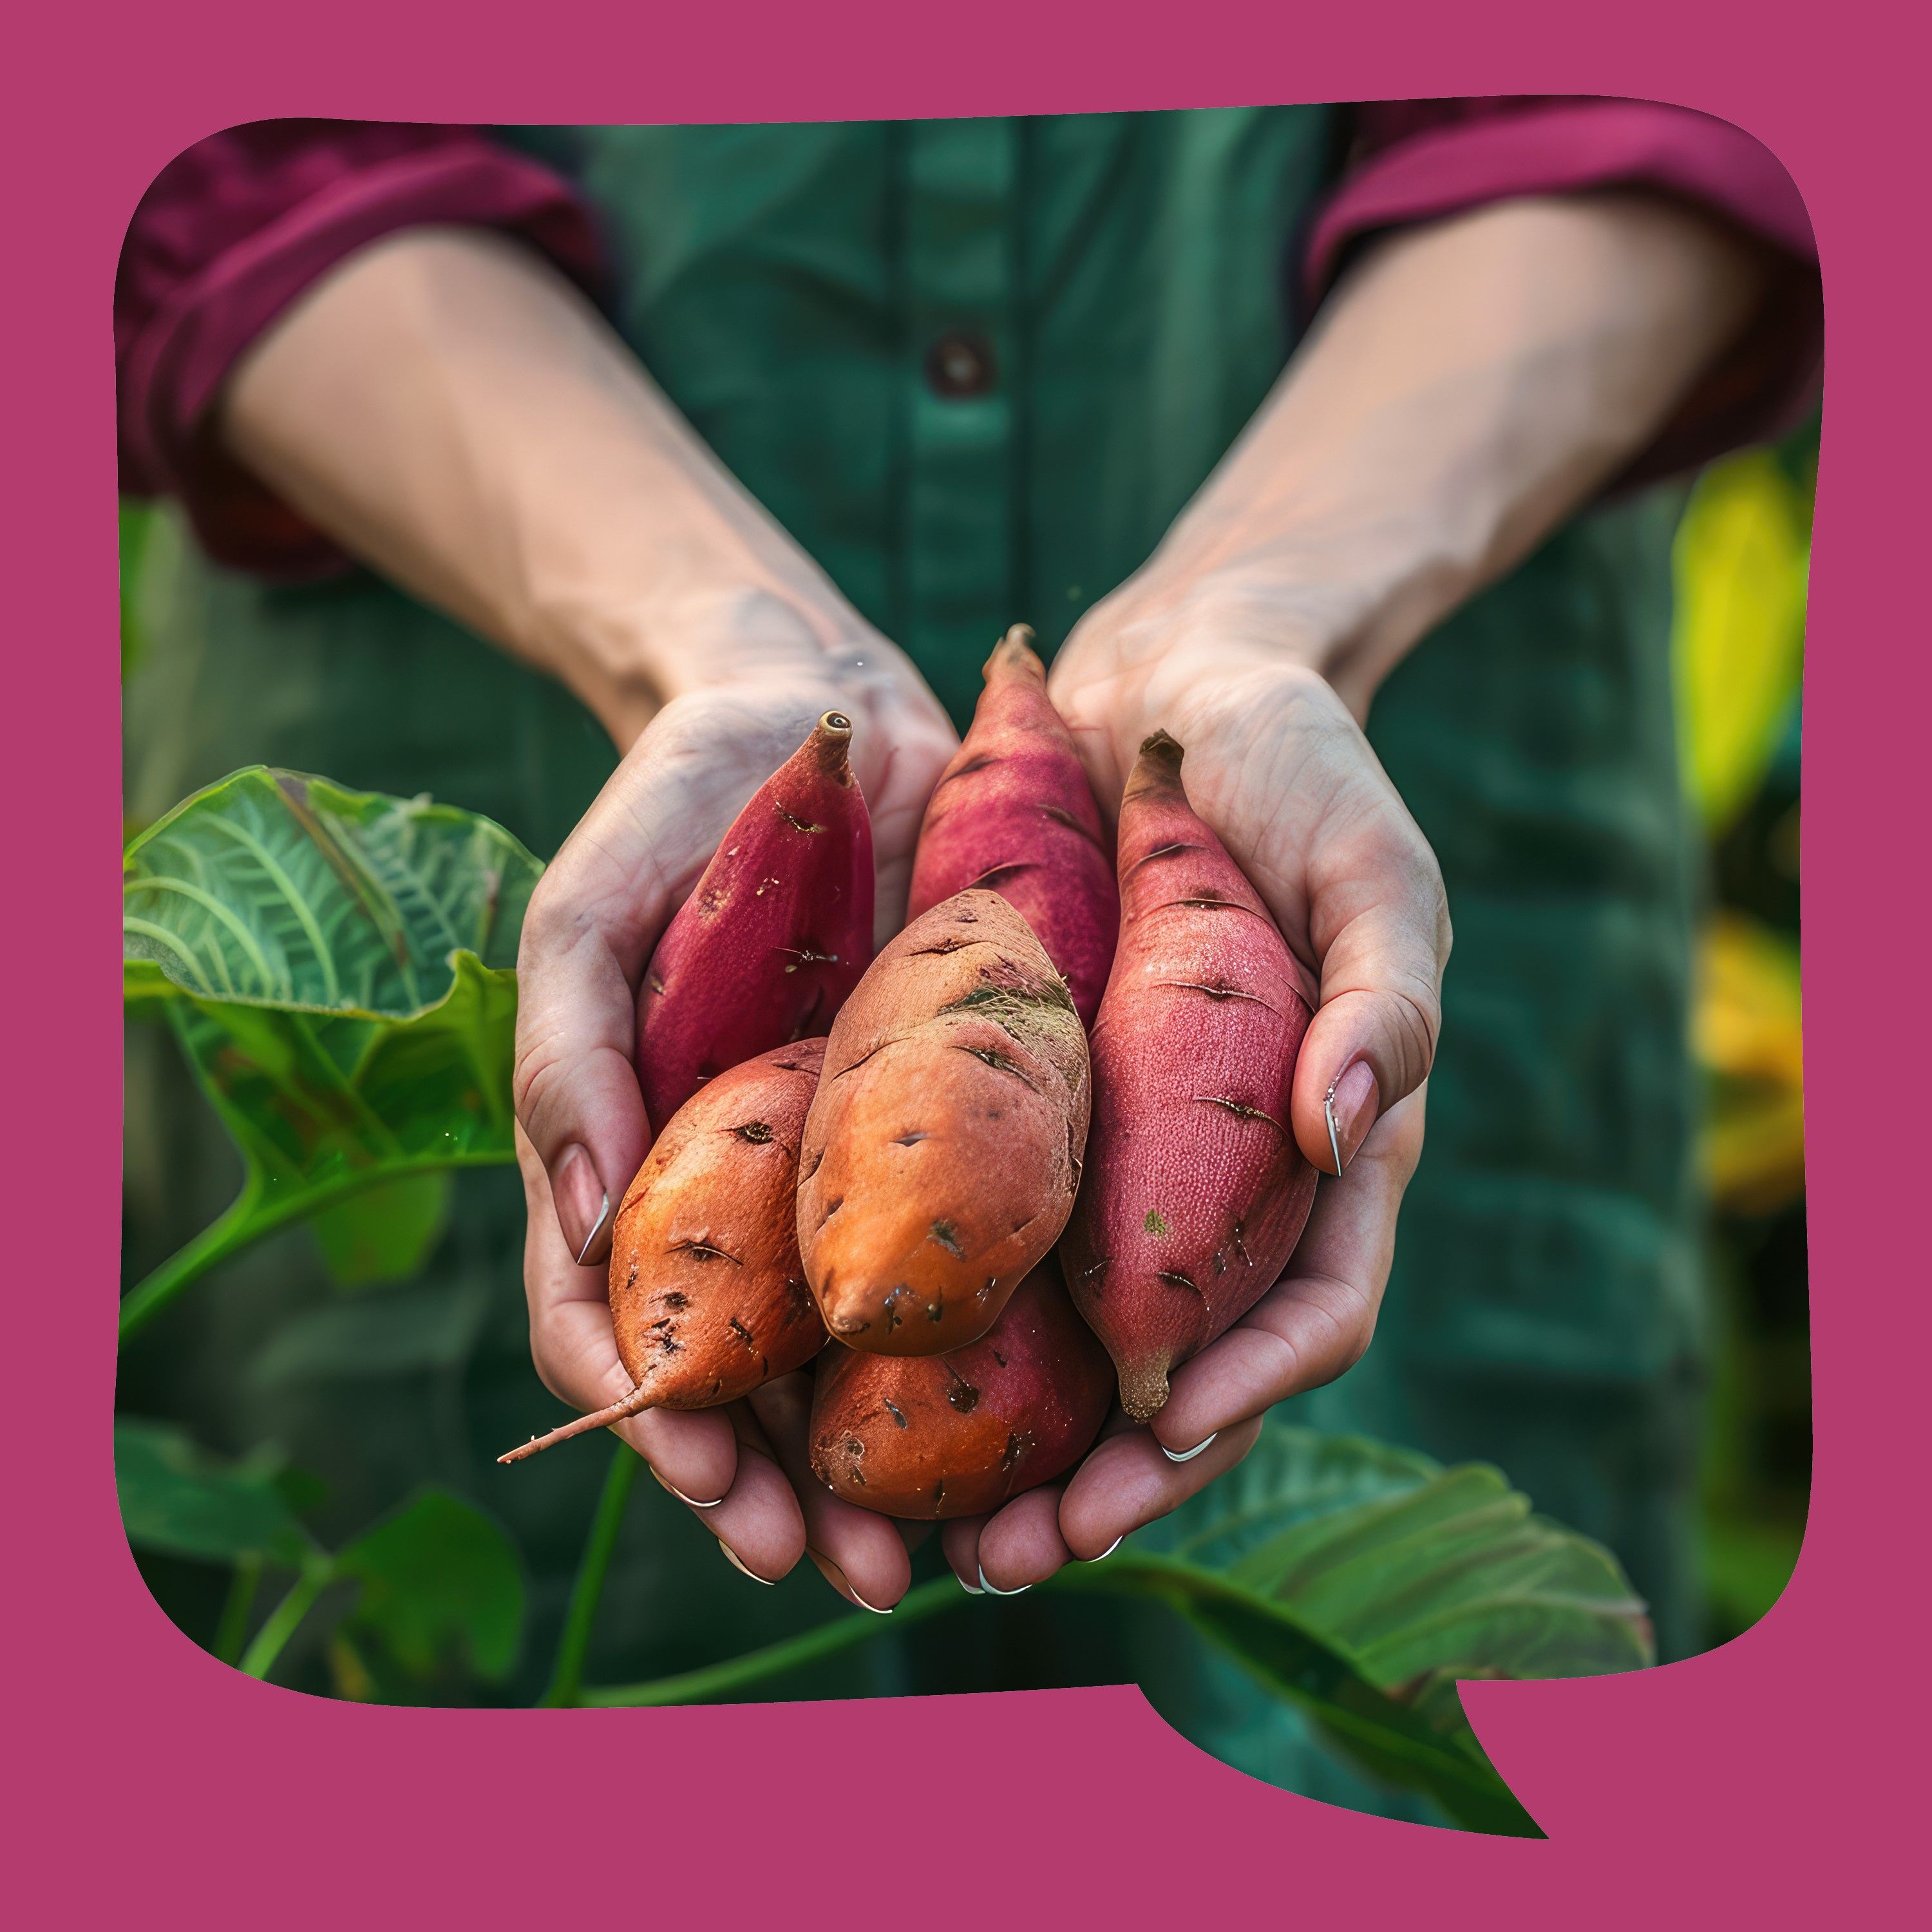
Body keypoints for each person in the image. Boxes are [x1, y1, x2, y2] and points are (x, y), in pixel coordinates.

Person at [117, 100, 1817, 1787]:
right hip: (449, 575)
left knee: (1401, 1763)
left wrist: (1271, 609)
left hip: (1429, 583)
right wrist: (708, 638)